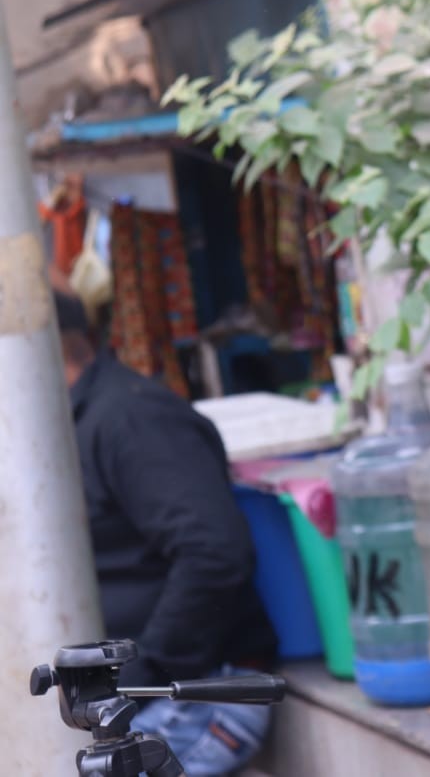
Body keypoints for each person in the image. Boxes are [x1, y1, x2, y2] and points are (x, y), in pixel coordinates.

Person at [54, 291, 278, 776]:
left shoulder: (130, 417)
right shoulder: (64, 424)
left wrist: (138, 678)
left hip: (196, 696)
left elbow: (215, 551)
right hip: (127, 700)